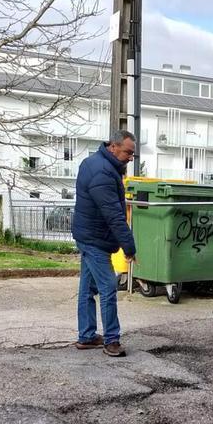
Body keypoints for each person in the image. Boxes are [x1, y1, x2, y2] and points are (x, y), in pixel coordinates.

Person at [71, 130, 137, 357]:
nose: (130, 157)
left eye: (133, 154)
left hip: (88, 234)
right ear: (113, 147)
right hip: (94, 238)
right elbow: (114, 215)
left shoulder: (94, 162)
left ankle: (87, 336)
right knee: (108, 287)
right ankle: (112, 340)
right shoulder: (103, 173)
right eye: (128, 152)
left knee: (87, 289)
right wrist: (129, 247)